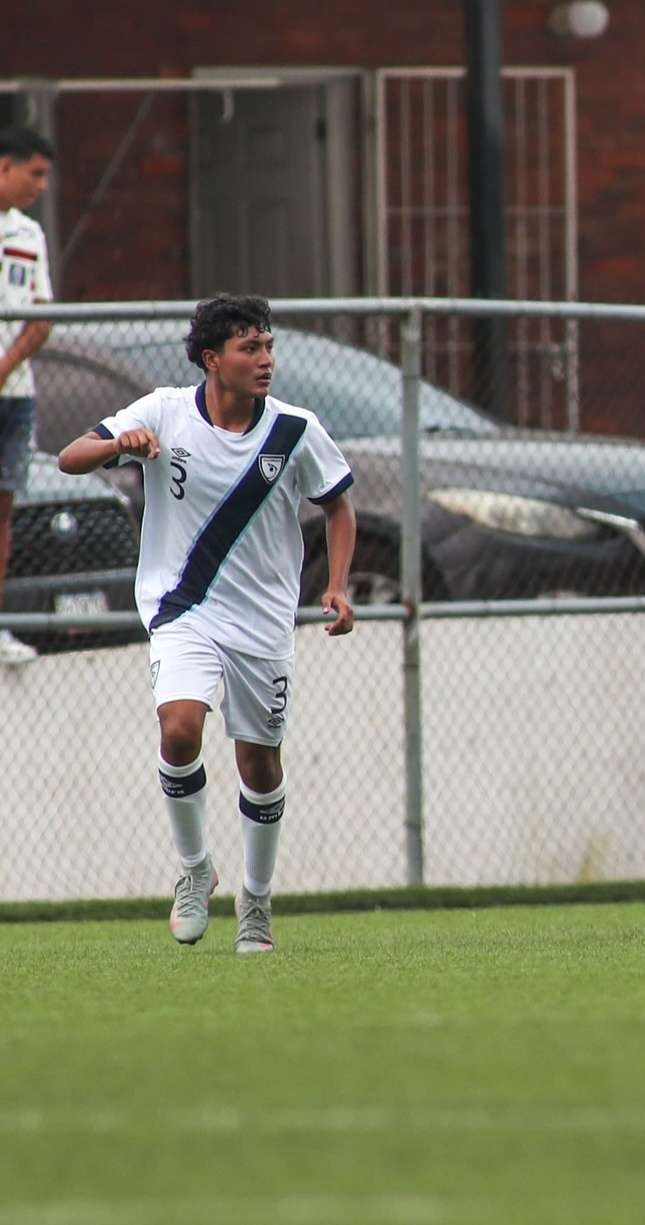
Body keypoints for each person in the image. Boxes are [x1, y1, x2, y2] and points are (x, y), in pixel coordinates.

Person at [56, 294, 357, 953]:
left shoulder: (293, 431)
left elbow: (338, 506)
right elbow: (69, 456)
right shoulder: (162, 411)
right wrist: (118, 443)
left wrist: (335, 585)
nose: (266, 360)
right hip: (182, 610)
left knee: (259, 762)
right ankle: (195, 868)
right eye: (251, 348)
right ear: (212, 359)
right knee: (179, 726)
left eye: (270, 347)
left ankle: (256, 898)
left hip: (263, 625)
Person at [0, 126, 58, 665]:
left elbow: (41, 316)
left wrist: (6, 366)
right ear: (4, 167)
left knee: (4, 509)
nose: (40, 185)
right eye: (34, 173)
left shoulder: (29, 233)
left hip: (13, 395)